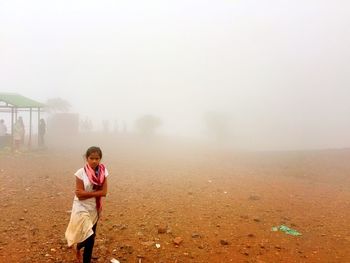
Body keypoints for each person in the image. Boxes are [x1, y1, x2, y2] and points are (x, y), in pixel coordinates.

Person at [65, 146, 109, 263]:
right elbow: (79, 196)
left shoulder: (103, 172)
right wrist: (95, 193)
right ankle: (80, 249)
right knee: (89, 236)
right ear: (86, 158)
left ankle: (80, 248)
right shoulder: (80, 173)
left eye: (97, 158)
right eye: (91, 158)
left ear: (100, 159)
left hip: (94, 207)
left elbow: (104, 192)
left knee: (92, 236)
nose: (94, 161)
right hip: (81, 206)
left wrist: (86, 193)